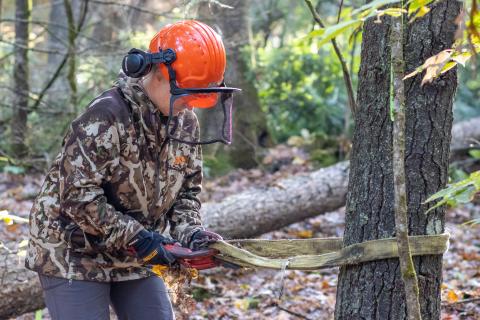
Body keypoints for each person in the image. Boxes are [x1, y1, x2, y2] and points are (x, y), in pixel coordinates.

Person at [25, 20, 240, 320]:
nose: (191, 105)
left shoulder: (185, 122)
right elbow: (77, 198)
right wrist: (140, 238)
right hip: (73, 249)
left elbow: (187, 191)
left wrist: (191, 233)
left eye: (197, 96)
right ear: (158, 74)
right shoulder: (106, 117)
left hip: (135, 249)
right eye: (187, 94)